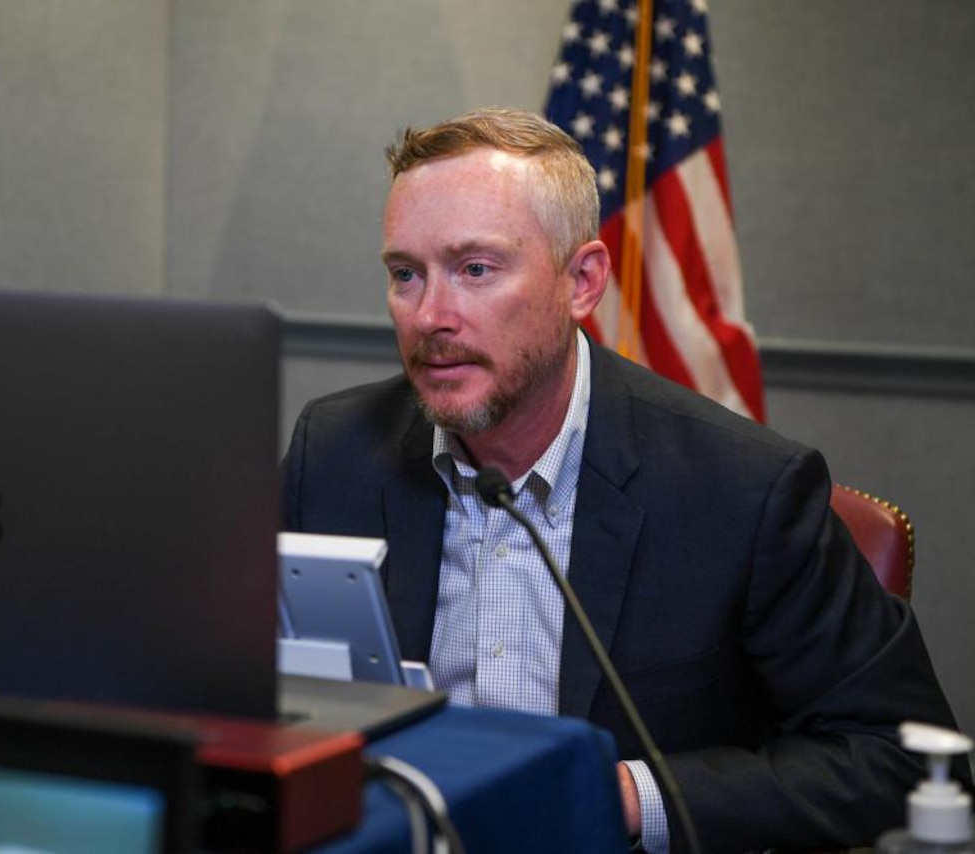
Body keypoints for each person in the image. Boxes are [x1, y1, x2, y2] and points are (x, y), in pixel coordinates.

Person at [281, 107, 966, 853]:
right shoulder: (337, 451)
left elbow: (896, 759)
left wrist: (629, 797)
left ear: (582, 281)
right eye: (405, 275)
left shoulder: (744, 492)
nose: (431, 315)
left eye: (476, 269)